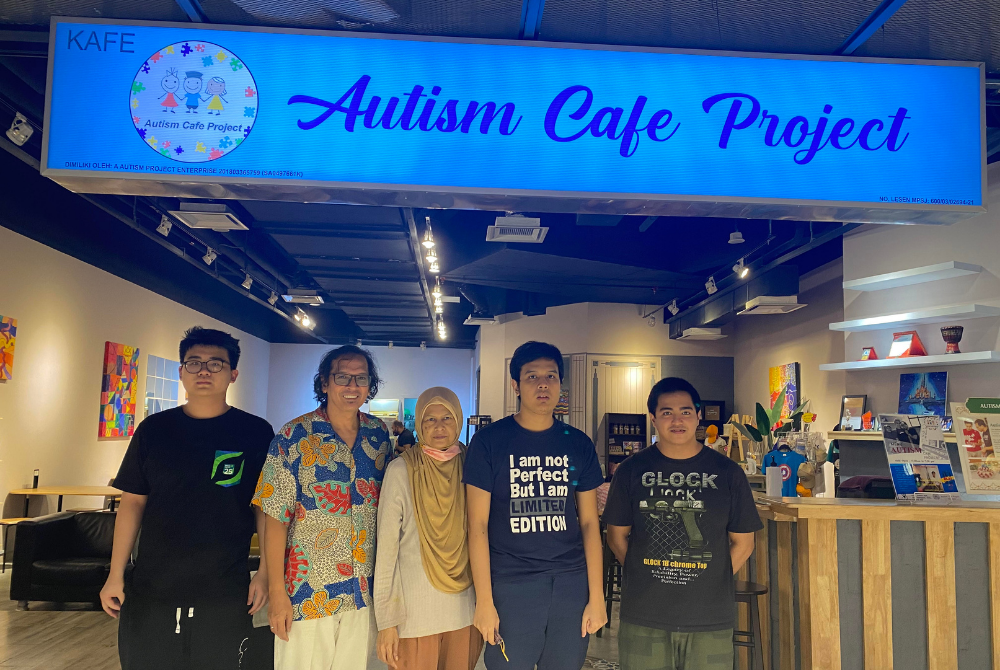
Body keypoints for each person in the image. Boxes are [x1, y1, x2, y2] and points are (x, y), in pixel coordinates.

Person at [100, 327, 274, 670]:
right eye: (194, 363)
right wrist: (115, 573)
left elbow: (265, 509)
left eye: (215, 363)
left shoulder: (255, 433)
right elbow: (133, 503)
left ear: (233, 374)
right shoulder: (154, 430)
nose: (204, 371)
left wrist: (265, 572)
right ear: (181, 371)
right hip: (154, 582)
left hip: (224, 583)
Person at [463, 341, 607, 670]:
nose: (543, 384)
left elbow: (589, 523)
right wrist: (484, 601)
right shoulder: (489, 442)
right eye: (532, 376)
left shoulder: (578, 443)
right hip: (511, 584)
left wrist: (596, 596)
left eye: (551, 376)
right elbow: (477, 525)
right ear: (515, 385)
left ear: (560, 384)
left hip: (570, 584)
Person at [604, 377, 762, 670]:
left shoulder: (728, 473)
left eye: (686, 412)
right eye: (667, 412)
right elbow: (616, 537)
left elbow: (744, 542)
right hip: (644, 614)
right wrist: (646, 573)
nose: (677, 421)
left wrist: (708, 577)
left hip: (709, 617)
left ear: (698, 416)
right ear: (653, 419)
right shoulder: (630, 471)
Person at [255, 345, 390, 670]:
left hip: (361, 591)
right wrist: (276, 592)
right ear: (325, 383)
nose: (352, 386)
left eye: (361, 378)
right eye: (343, 377)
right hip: (306, 592)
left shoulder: (378, 436)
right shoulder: (293, 436)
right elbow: (275, 518)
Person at [375, 387, 482, 670]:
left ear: (458, 421)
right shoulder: (401, 471)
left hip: (464, 612)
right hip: (414, 618)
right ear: (419, 425)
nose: (439, 427)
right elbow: (386, 551)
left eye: (447, 418)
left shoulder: (473, 466)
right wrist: (386, 622)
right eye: (430, 419)